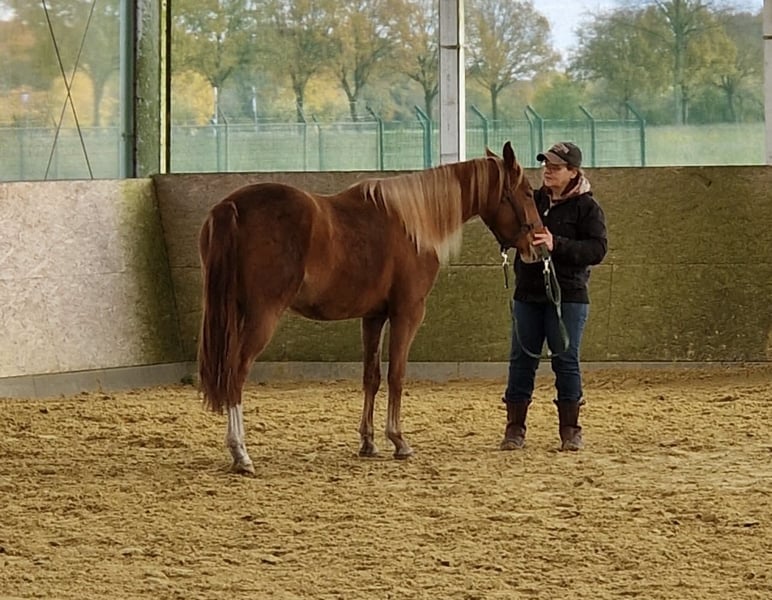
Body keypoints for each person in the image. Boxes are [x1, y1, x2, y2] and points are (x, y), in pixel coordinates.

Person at [500, 141, 607, 452]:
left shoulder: (588, 208)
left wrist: (556, 243)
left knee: (565, 360)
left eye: (556, 167)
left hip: (568, 295)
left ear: (573, 172)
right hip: (528, 292)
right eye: (546, 165)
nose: (548, 171)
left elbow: (597, 249)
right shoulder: (532, 200)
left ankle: (570, 430)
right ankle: (515, 428)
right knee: (521, 360)